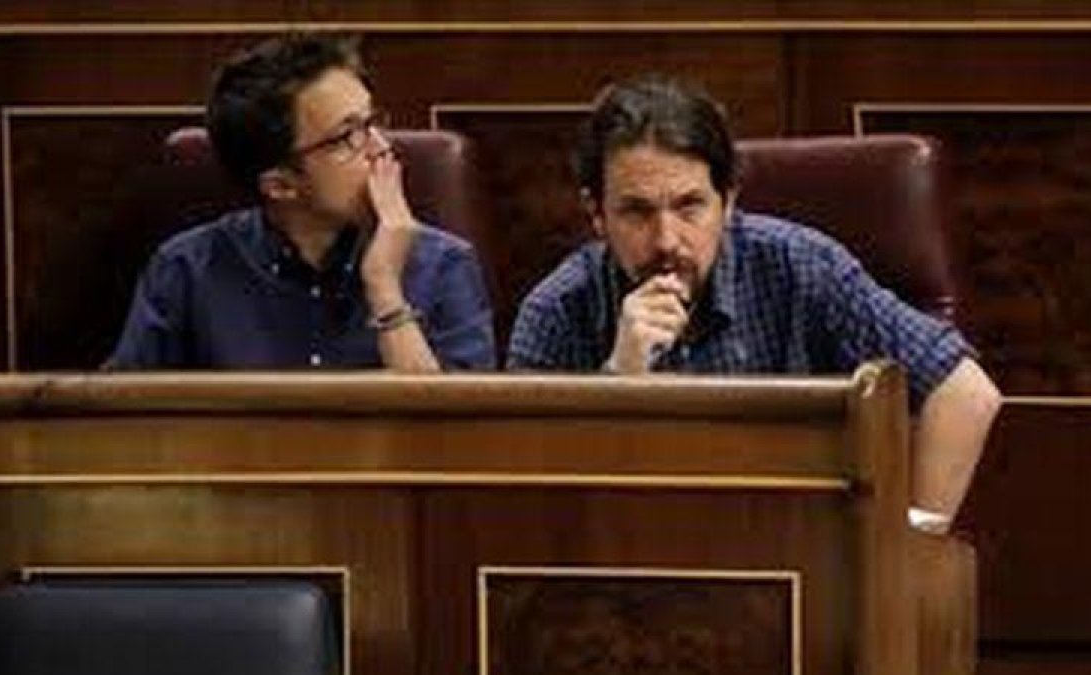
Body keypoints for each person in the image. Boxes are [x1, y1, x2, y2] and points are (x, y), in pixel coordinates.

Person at [507, 75, 1001, 531]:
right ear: (596, 214)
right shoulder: (556, 310)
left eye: (688, 206)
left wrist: (904, 555)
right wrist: (616, 383)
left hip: (790, 563)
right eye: (636, 212)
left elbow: (965, 394)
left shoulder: (801, 268)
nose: (666, 240)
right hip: (628, 574)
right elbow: (518, 498)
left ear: (729, 200)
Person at [108, 34, 494, 370]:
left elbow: (450, 438)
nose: (381, 147)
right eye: (348, 137)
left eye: (373, 121)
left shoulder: (443, 265)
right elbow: (124, 426)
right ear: (280, 185)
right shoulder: (185, 272)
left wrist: (384, 287)